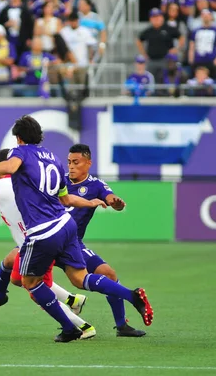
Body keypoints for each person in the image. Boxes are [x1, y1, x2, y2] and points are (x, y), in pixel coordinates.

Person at [0, 116, 153, 342]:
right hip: (66, 226)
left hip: (42, 230)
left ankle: (70, 328)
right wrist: (90, 202)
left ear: (18, 139)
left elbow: (10, 166)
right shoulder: (54, 159)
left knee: (30, 282)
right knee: (80, 278)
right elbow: (66, 200)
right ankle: (132, 296)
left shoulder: (21, 153)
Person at [0, 149, 96, 340]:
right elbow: (64, 198)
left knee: (35, 289)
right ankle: (1, 296)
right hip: (57, 233)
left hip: (38, 243)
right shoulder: (33, 180)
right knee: (11, 264)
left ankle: (82, 325)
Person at [64, 144, 146, 337]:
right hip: (53, 240)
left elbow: (110, 198)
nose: (71, 167)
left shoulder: (95, 185)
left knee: (108, 274)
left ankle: (121, 326)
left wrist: (114, 202)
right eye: (69, 162)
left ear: (88, 163)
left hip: (74, 243)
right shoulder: (59, 180)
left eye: (76, 162)